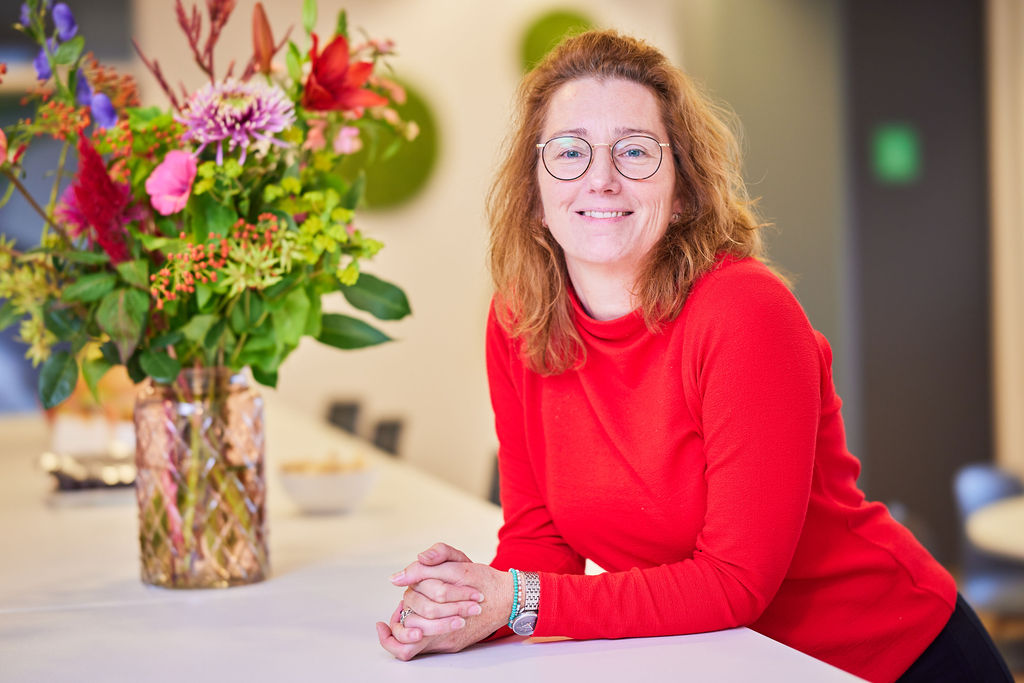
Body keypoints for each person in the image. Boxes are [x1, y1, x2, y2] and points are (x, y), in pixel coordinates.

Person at [374, 29, 1013, 683]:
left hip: (886, 656)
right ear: (535, 196)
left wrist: (518, 600)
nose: (601, 176)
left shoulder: (743, 312)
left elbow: (736, 583)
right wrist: (466, 608)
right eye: (569, 151)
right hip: (727, 659)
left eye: (635, 151)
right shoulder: (519, 319)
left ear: (681, 191)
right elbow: (541, 545)